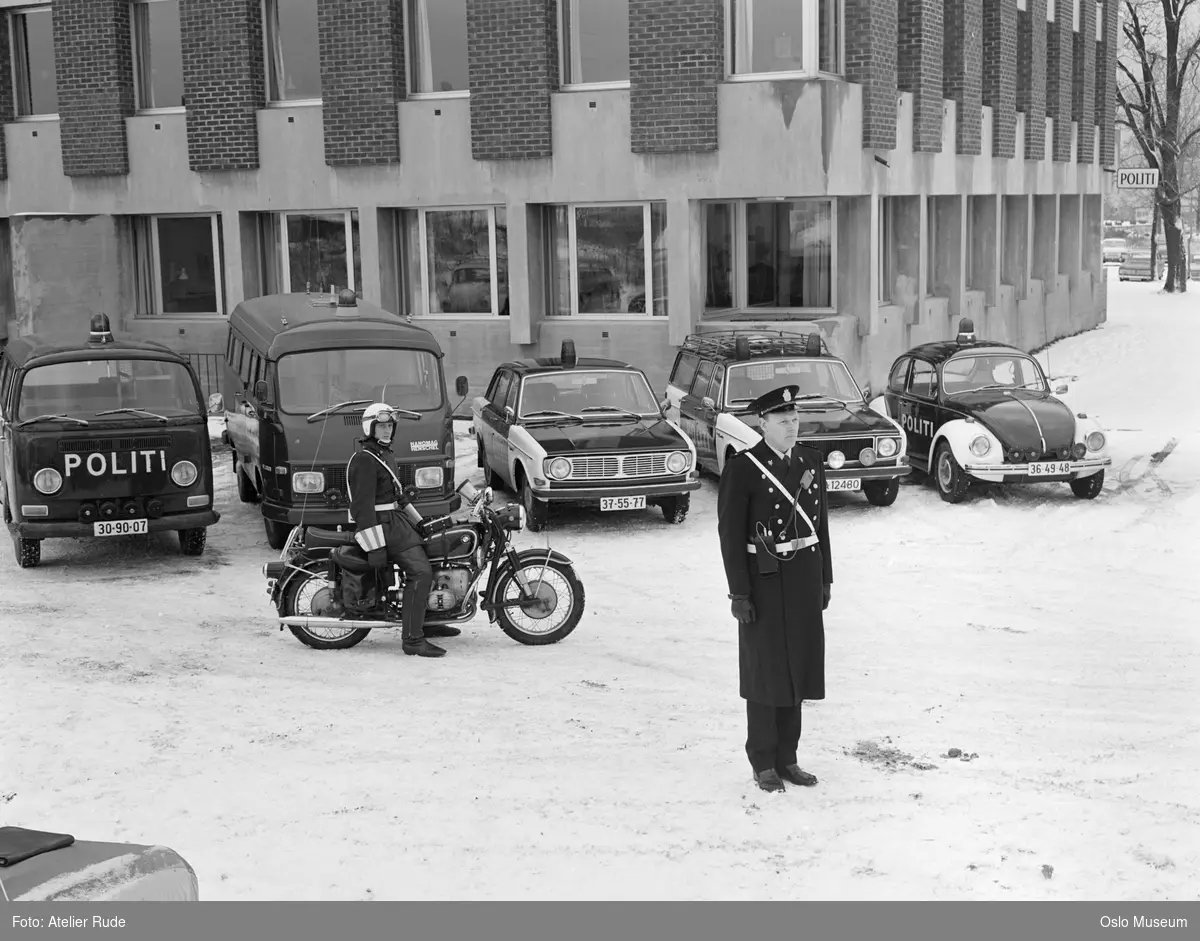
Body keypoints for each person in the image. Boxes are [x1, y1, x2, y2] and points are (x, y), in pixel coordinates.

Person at [716, 385, 833, 793]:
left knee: (796, 669)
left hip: (802, 576)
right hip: (763, 582)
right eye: (782, 420)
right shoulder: (745, 468)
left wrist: (825, 579)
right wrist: (739, 593)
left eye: (795, 419)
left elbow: (821, 528)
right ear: (762, 423)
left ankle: (789, 758)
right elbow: (730, 535)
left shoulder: (810, 461)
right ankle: (763, 760)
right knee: (766, 672)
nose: (791, 426)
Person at [347, 402, 460, 658]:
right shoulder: (365, 459)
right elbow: (362, 508)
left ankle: (427, 620)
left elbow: (399, 496)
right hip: (383, 525)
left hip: (396, 520)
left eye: (389, 426)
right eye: (382, 426)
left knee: (433, 555)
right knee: (420, 572)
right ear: (370, 428)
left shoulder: (384, 454)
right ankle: (413, 639)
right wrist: (373, 545)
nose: (387, 431)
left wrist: (420, 522)